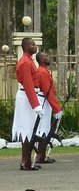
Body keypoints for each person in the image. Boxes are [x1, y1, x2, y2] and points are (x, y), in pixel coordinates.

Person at [12, 37, 43, 171]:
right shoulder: (25, 62)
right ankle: (25, 162)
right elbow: (28, 83)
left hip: (29, 95)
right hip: (26, 96)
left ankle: (28, 161)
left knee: (30, 130)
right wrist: (36, 104)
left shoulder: (28, 60)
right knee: (26, 129)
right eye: (33, 44)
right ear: (26, 47)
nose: (35, 46)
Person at [35, 52, 63, 164]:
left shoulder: (44, 70)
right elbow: (48, 91)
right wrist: (57, 108)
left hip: (45, 100)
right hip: (44, 100)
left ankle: (41, 155)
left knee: (45, 129)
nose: (49, 57)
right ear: (41, 60)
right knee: (43, 130)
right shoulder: (42, 72)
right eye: (46, 57)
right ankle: (40, 156)